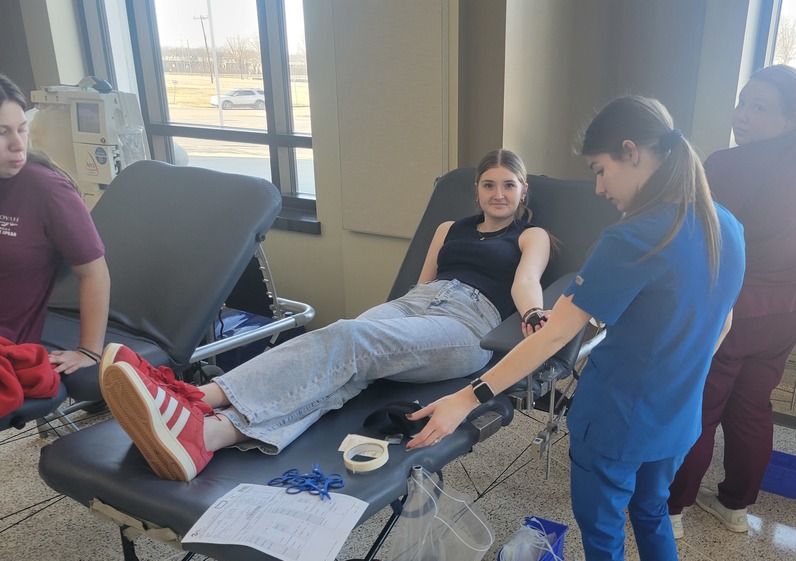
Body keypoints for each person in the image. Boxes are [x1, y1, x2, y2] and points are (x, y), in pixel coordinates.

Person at [407, 96, 744, 561]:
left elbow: (553, 335)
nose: (598, 186)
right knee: (652, 511)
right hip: (677, 414)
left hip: (613, 420)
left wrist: (466, 397)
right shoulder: (726, 223)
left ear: (631, 154)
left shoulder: (635, 235)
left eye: (600, 170)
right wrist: (681, 370)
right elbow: (721, 320)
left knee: (603, 541)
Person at [99, 148, 552, 482]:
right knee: (344, 369)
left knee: (347, 337)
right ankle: (211, 436)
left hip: (467, 324)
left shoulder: (531, 235)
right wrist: (400, 320)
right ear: (477, 190)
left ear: (522, 190)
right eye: (489, 184)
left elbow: (525, 282)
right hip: (416, 306)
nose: (498, 193)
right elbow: (421, 283)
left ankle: (196, 399)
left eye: (508, 185)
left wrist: (533, 313)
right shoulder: (448, 228)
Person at [667, 65, 796, 537]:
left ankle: (673, 511)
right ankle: (736, 507)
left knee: (701, 406)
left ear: (792, 116)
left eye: (757, 107)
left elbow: (695, 240)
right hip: (791, 311)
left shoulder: (731, 164)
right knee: (752, 406)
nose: (741, 115)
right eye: (742, 102)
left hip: (735, 310)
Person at [0, 74, 109, 375]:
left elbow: (94, 271)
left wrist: (88, 351)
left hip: (9, 343)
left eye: (22, 129)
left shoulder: (47, 189)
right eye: (2, 133)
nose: (17, 144)